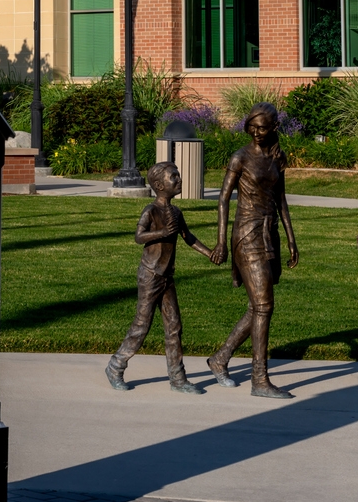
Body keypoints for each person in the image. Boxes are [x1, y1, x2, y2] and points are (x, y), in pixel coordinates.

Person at [207, 103, 298, 399]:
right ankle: (259, 379)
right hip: (246, 234)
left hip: (269, 233)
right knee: (263, 306)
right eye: (252, 127)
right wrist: (221, 241)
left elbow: (281, 199)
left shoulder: (276, 158)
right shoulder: (240, 157)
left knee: (258, 305)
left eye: (263, 128)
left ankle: (220, 359)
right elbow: (222, 200)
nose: (257, 133)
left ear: (273, 128)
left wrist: (291, 238)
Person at [105, 160, 213, 393]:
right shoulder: (151, 211)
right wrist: (162, 233)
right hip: (151, 276)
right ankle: (116, 366)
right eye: (174, 176)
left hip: (167, 277)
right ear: (158, 185)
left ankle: (178, 379)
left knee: (174, 327)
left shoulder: (176, 212)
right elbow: (139, 236)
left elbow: (188, 237)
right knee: (141, 325)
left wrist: (210, 253)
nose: (179, 179)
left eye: (178, 175)